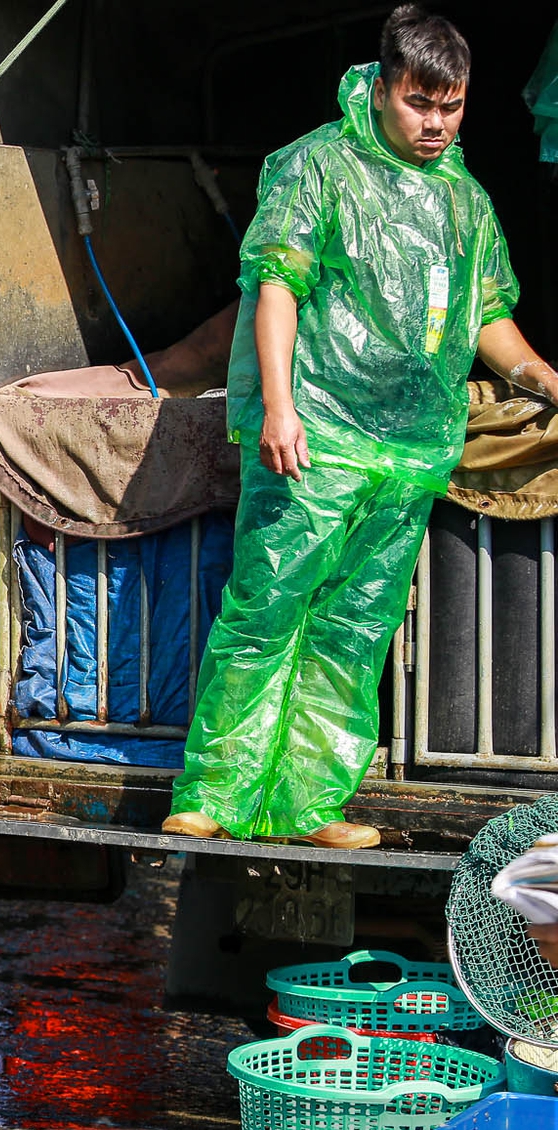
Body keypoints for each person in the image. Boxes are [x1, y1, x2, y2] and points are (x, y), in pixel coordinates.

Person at [163, 6, 558, 850]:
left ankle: (309, 806)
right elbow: (276, 286)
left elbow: (486, 317)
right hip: (318, 438)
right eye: (421, 103)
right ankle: (213, 795)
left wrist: (543, 376)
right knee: (267, 608)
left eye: (452, 107)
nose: (437, 124)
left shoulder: (464, 198)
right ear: (382, 89)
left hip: (410, 453)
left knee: (357, 627)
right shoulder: (319, 167)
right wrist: (278, 406)